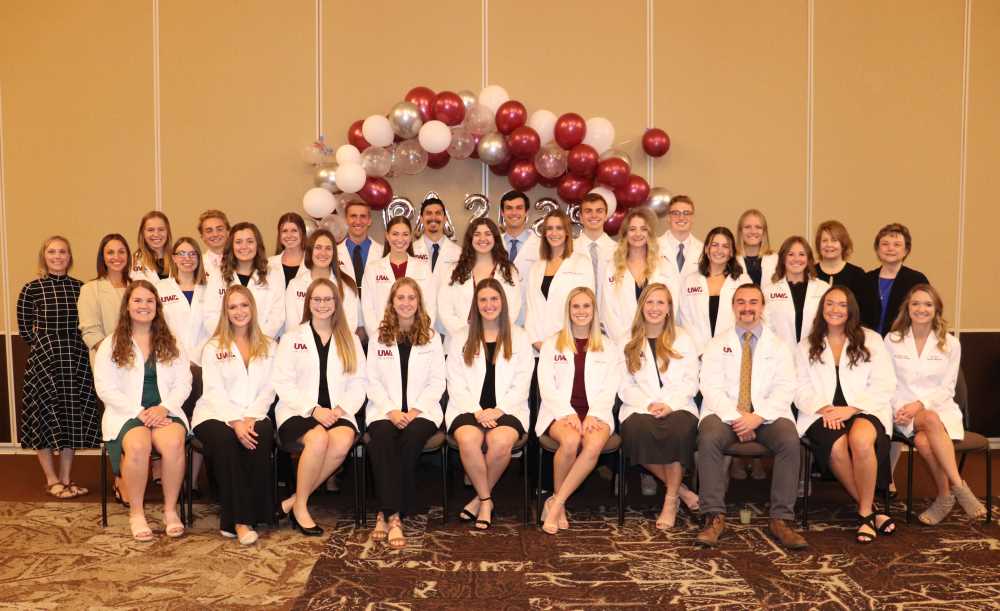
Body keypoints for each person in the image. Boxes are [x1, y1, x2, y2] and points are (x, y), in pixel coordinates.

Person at [696, 284, 806, 550]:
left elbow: (785, 387)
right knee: (708, 437)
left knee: (790, 439)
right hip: (724, 414)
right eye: (741, 302)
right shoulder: (716, 344)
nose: (748, 308)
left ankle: (780, 519)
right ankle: (714, 516)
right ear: (733, 307)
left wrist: (757, 417)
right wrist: (737, 417)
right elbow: (709, 386)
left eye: (753, 302)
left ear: (762, 307)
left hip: (767, 415)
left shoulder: (778, 346)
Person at [794, 286, 897, 544]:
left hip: (865, 408)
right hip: (821, 412)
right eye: (830, 304)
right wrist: (824, 409)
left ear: (851, 310)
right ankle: (870, 510)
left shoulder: (871, 339)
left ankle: (864, 512)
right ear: (822, 308)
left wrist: (851, 409)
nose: (835, 310)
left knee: (861, 441)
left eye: (842, 305)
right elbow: (798, 386)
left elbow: (884, 383)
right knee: (838, 447)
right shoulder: (807, 344)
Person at [93, 280, 192, 541]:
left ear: (157, 307)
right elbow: (104, 387)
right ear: (127, 306)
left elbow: (185, 383)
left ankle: (170, 511)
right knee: (138, 445)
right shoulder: (111, 344)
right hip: (127, 414)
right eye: (137, 300)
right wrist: (138, 412)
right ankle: (136, 513)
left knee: (173, 443)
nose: (143, 306)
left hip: (164, 411)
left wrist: (164, 407)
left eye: (149, 301)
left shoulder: (173, 343)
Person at [272, 278, 366, 537]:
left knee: (343, 439)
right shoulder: (293, 338)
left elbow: (360, 382)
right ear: (308, 303)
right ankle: (301, 507)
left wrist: (340, 409)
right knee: (318, 439)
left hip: (338, 411)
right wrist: (313, 410)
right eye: (317, 299)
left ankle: (292, 501)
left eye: (328, 299)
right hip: (298, 411)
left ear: (336, 304)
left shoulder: (349, 340)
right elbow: (282, 381)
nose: (322, 304)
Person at [885, 284, 986, 523]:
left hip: (939, 409)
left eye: (928, 304)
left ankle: (944, 496)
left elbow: (947, 388)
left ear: (936, 309)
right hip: (901, 411)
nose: (921, 309)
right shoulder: (892, 340)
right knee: (928, 420)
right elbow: (887, 382)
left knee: (924, 435)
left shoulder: (951, 344)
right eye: (916, 303)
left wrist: (920, 404)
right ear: (907, 308)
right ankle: (959, 486)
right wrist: (902, 408)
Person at [191, 286, 277, 545]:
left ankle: (234, 518)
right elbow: (214, 391)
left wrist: (251, 416)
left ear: (252, 308)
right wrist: (235, 421)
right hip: (215, 415)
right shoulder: (213, 346)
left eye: (244, 305)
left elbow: (271, 387)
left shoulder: (270, 345)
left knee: (260, 434)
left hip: (254, 412)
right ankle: (241, 521)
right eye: (232, 307)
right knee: (229, 441)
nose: (239, 311)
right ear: (225, 312)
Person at [365, 278, 446, 548]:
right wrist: (390, 410)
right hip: (383, 410)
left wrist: (414, 411)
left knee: (411, 437)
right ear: (392, 302)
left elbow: (438, 381)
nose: (406, 303)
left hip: (422, 411)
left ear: (419, 302)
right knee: (383, 438)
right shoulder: (379, 337)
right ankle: (395, 515)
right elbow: (371, 379)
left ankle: (385, 512)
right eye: (401, 298)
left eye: (412, 298)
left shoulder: (432, 338)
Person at [18, 236, 100, 500]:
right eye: (51, 252)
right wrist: (48, 346)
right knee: (42, 418)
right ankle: (50, 479)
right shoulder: (31, 289)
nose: (57, 256)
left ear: (69, 256)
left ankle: (65, 478)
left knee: (70, 418)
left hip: (74, 360)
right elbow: (25, 329)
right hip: (44, 362)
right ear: (44, 256)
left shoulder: (81, 288)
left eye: (62, 251)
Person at [446, 279, 532, 529]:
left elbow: (523, 379)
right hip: (467, 407)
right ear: (476, 304)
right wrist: (477, 411)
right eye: (483, 299)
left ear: (503, 302)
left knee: (501, 442)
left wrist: (499, 410)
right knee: (468, 440)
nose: (489, 304)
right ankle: (486, 500)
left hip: (508, 407)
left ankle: (478, 499)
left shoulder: (519, 336)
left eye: (494, 299)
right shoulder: (461, 337)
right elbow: (455, 380)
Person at [535, 287, 621, 534]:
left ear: (594, 311)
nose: (581, 311)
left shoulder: (608, 345)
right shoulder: (553, 343)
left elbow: (610, 386)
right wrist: (567, 413)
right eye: (576, 306)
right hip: (559, 411)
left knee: (593, 444)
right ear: (568, 311)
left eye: (586, 306)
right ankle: (558, 505)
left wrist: (595, 414)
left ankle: (556, 502)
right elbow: (546, 385)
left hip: (597, 412)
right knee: (571, 441)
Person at [619, 283, 701, 529]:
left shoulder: (683, 337)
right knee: (635, 432)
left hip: (678, 405)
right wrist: (649, 403)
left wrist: (669, 404)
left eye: (661, 303)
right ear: (641, 306)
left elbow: (691, 380)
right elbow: (623, 384)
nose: (654, 308)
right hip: (640, 405)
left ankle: (669, 500)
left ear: (669, 309)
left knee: (676, 431)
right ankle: (681, 492)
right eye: (650, 302)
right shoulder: (628, 339)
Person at [157, 237, 209, 496]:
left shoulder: (209, 290)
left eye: (192, 254)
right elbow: (157, 327)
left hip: (203, 364)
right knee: (177, 418)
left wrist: (197, 358)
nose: (187, 258)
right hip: (170, 364)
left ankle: (194, 479)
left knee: (197, 419)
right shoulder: (160, 288)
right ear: (173, 258)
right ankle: (175, 478)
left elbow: (217, 327)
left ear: (199, 258)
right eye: (181, 254)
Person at [438, 218, 520, 350]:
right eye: (477, 234)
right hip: (460, 342)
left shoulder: (508, 271)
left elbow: (513, 308)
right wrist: (467, 335)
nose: (483, 238)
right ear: (470, 239)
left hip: (497, 341)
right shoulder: (454, 270)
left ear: (495, 238)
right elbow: (445, 309)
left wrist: (492, 334)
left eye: (488, 234)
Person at [601, 207, 674, 346]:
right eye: (632, 229)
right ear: (625, 233)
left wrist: (656, 334)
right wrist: (626, 341)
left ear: (650, 233)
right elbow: (608, 310)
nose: (638, 234)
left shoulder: (664, 265)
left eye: (643, 229)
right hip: (622, 342)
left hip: (659, 339)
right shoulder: (613, 267)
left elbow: (672, 303)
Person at [526, 211, 595, 352]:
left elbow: (587, 307)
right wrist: (537, 342)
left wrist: (566, 343)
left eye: (559, 228)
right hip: (539, 346)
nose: (554, 233)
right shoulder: (536, 267)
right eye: (549, 229)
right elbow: (531, 308)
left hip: (570, 345)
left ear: (567, 232)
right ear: (544, 233)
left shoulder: (582, 263)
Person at [203, 222, 285, 339]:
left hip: (262, 345)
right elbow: (211, 315)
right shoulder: (217, 275)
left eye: (250, 241)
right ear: (231, 246)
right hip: (228, 346)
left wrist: (256, 341)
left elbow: (277, 316)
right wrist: (233, 341)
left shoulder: (273, 275)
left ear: (258, 245)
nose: (244, 247)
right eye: (238, 242)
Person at [678, 226, 751, 355]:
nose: (719, 250)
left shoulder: (743, 281)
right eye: (715, 245)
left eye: (725, 246)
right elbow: (686, 319)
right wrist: (701, 352)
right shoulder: (691, 281)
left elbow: (746, 318)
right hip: (697, 353)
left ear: (732, 252)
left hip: (732, 352)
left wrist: (724, 349)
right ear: (706, 249)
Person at [361, 216, 437, 337]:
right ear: (387, 236)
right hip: (383, 338)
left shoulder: (423, 268)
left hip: (416, 336)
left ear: (411, 237)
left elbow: (430, 306)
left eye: (405, 234)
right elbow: (367, 308)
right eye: (395, 234)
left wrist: (422, 334)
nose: (400, 239)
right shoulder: (373, 269)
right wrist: (378, 336)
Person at [285, 229, 360, 334]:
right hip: (303, 346)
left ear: (334, 253)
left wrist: (327, 345)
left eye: (328, 248)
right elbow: (292, 326)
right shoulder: (295, 285)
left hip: (338, 346)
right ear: (310, 251)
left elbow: (350, 325)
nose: (323, 253)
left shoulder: (346, 285)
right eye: (318, 248)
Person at [863, 223, 929, 336]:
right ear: (877, 249)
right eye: (885, 244)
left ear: (906, 250)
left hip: (903, 344)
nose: (890, 248)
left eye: (897, 244)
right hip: (869, 345)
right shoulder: (866, 280)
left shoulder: (917, 280)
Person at [763, 236, 828, 347]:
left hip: (815, 354)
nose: (796, 259)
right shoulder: (768, 291)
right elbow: (766, 327)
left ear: (808, 259)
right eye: (791, 254)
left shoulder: (823, 289)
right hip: (780, 356)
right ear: (783, 258)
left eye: (802, 254)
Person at [338, 201, 383, 343]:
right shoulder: (333, 254)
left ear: (369, 221)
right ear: (346, 219)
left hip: (378, 327)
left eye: (363, 216)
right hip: (345, 326)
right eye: (353, 216)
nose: (358, 221)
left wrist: (370, 326)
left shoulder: (382, 253)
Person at [79, 233, 131, 355]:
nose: (116, 257)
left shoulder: (137, 287)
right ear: (102, 257)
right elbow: (91, 332)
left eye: (121, 252)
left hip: (139, 362)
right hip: (107, 361)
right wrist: (117, 356)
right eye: (110, 252)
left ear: (128, 255)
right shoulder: (90, 289)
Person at [656, 195, 703, 315]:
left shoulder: (703, 251)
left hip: (693, 317)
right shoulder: (653, 247)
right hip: (660, 315)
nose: (681, 217)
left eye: (686, 213)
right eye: (675, 213)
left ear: (692, 218)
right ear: (668, 218)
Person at [499, 190, 540, 326]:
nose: (514, 213)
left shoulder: (541, 246)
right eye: (509, 208)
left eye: (519, 208)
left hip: (530, 318)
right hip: (498, 316)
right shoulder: (493, 245)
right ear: (503, 213)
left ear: (526, 213)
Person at [813, 220, 867, 305]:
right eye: (824, 240)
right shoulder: (810, 273)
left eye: (834, 240)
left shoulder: (857, 275)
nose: (829, 245)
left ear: (843, 244)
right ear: (818, 244)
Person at [573, 192, 617, 290]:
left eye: (599, 211)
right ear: (580, 217)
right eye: (588, 211)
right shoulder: (569, 250)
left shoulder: (618, 251)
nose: (594, 215)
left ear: (606, 215)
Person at [412, 197, 461, 279]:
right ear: (421, 219)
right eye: (428, 213)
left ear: (445, 219)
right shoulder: (410, 252)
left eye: (438, 213)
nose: (433, 217)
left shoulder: (458, 253)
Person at [734, 209, 778, 287]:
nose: (753, 231)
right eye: (747, 227)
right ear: (740, 231)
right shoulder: (731, 260)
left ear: (764, 232)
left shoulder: (776, 259)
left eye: (758, 227)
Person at [131, 211, 173, 283]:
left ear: (167, 232)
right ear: (142, 233)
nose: (156, 234)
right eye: (150, 230)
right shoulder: (132, 262)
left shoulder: (177, 259)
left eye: (161, 229)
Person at [269, 212, 308, 288]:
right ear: (279, 235)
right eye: (285, 231)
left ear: (302, 234)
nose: (289, 235)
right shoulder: (269, 264)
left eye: (294, 230)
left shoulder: (312, 263)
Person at [197, 209, 230, 281]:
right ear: (202, 237)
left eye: (219, 229)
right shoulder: (197, 264)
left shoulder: (240, 261)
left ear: (228, 232)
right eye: (209, 231)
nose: (215, 234)